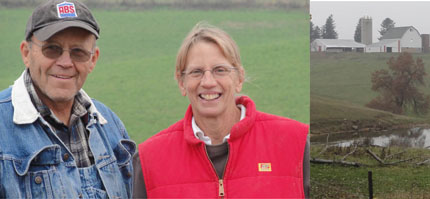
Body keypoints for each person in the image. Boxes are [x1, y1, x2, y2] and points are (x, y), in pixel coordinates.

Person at [133, 22, 309, 198]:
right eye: (196, 72)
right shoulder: (149, 160)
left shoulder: (296, 144)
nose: (208, 82)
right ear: (182, 83)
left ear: (239, 78)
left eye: (220, 70)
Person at [0, 0, 135, 198]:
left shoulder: (111, 126)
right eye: (52, 49)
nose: (65, 62)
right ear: (26, 53)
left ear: (93, 60)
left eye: (78, 52)